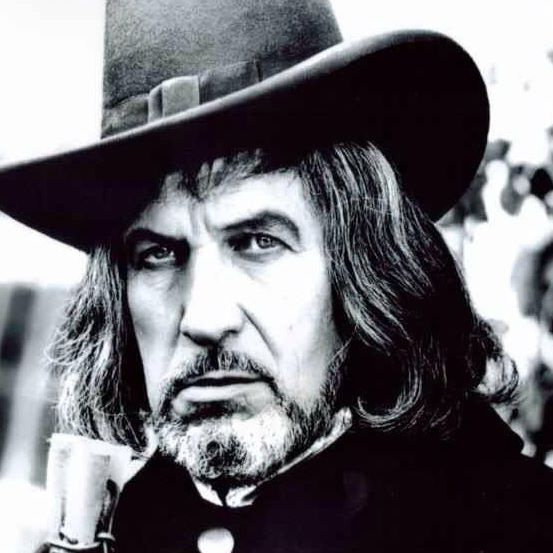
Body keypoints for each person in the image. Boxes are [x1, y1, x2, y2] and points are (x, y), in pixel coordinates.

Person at [1, 1, 553, 552]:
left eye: (257, 242)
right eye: (158, 255)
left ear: (364, 270)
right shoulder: (123, 532)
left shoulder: (515, 527)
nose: (205, 319)